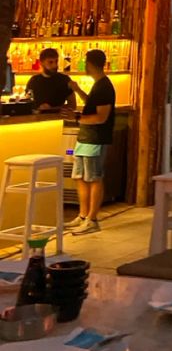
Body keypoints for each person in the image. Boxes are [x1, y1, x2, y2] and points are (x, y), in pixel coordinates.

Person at [65, 49, 116, 236]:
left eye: (86, 62)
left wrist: (77, 117)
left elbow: (101, 117)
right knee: (79, 176)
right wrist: (78, 90)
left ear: (91, 64)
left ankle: (92, 219)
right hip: (85, 137)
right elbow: (92, 104)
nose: (84, 66)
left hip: (96, 138)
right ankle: (83, 215)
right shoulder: (98, 85)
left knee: (94, 178)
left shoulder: (104, 87)